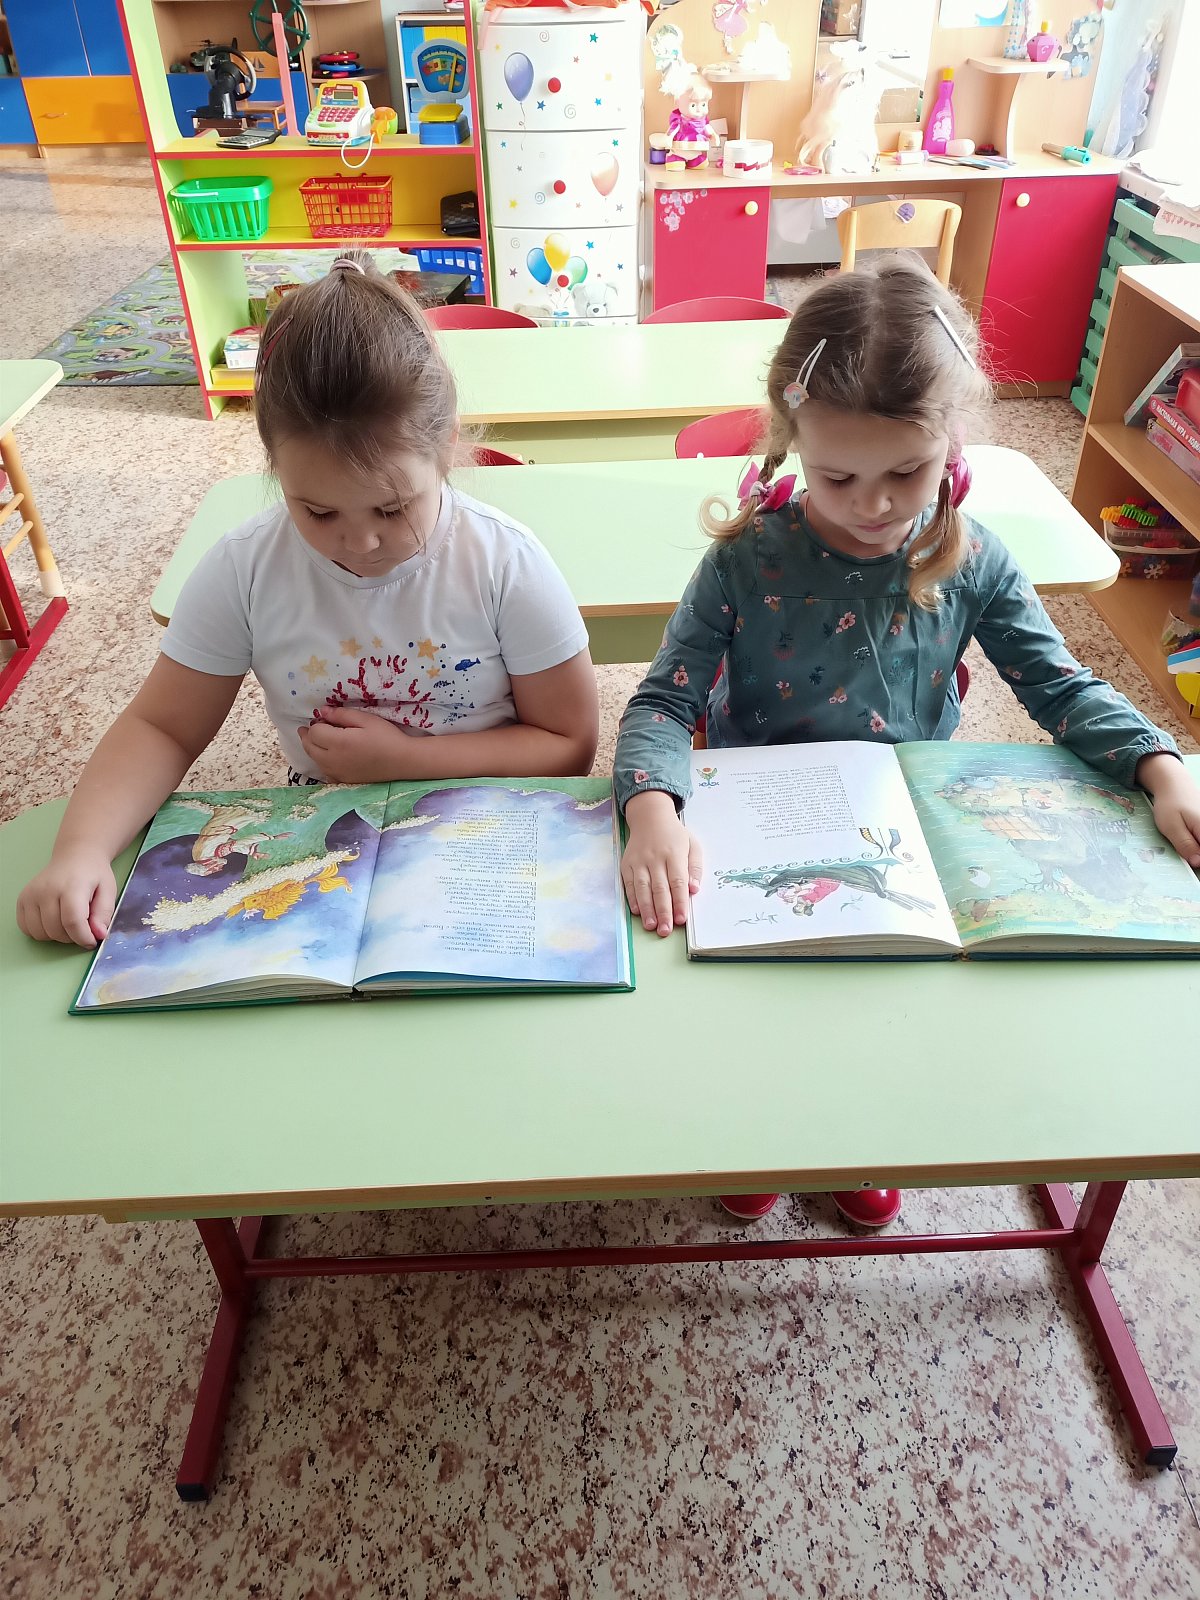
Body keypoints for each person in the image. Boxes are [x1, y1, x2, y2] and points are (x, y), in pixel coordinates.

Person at [614, 255, 1200, 1228]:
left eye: (907, 473)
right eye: (837, 475)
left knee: (881, 1006)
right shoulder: (748, 558)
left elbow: (1059, 685)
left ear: (951, 446)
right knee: (762, 1004)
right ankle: (760, 1129)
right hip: (759, 824)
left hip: (904, 834)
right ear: (791, 441)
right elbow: (664, 699)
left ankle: (858, 1139)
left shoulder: (975, 559)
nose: (873, 505)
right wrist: (650, 811)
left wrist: (1160, 766)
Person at [18, 252, 598, 947]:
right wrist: (81, 850)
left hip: (488, 826)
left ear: (445, 446)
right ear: (274, 468)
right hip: (325, 830)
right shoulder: (246, 567)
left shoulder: (505, 562)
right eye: (318, 512)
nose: (360, 542)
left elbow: (569, 746)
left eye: (392, 508)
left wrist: (405, 761)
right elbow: (162, 728)